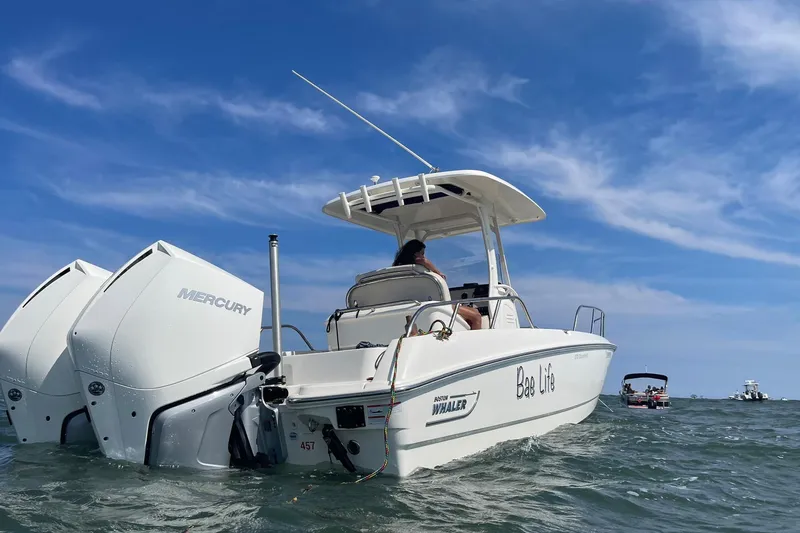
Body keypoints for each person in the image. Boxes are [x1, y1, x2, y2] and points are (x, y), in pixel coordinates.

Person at [393, 239, 482, 330]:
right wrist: (438, 273)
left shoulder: (397, 271)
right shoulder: (419, 266)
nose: (424, 256)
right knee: (476, 316)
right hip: (432, 305)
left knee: (472, 312)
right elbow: (423, 260)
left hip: (411, 307)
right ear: (416, 254)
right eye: (422, 253)